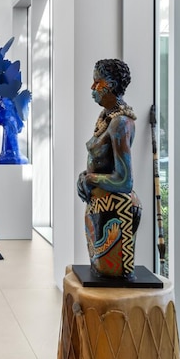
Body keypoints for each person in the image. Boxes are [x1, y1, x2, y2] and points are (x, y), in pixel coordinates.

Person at [77, 59, 141, 279]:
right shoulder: (106, 117)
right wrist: (85, 177)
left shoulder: (120, 123)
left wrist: (91, 178)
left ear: (111, 85)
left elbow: (124, 181)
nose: (92, 88)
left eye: (97, 82)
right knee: (101, 270)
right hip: (101, 207)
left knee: (111, 273)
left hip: (114, 209)